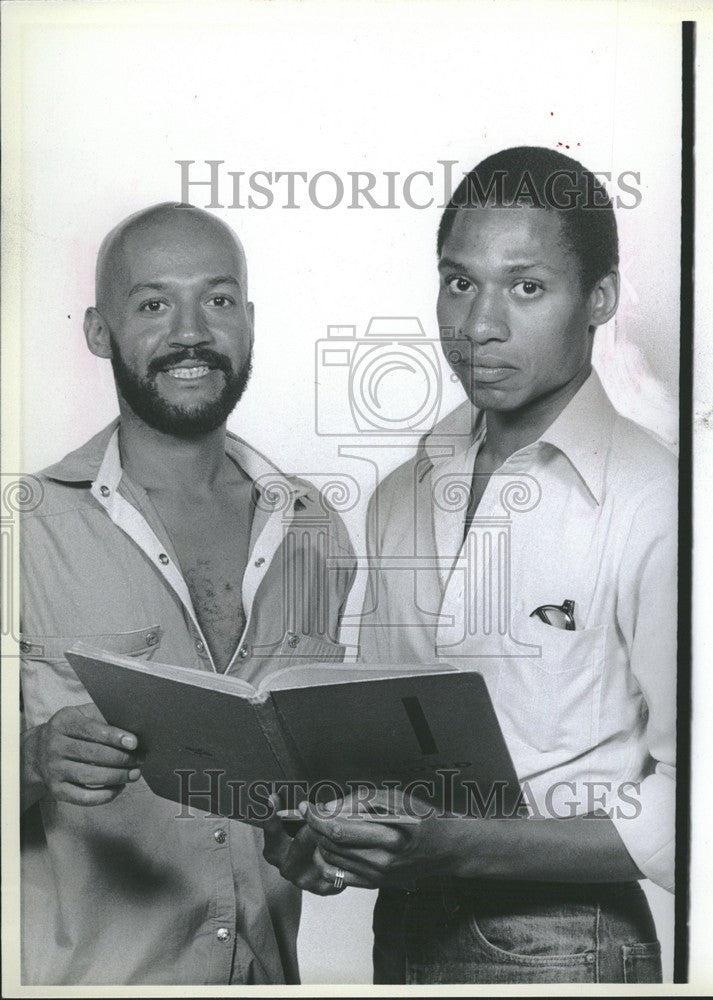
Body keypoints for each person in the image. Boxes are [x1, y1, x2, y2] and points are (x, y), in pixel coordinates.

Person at [289, 147, 677, 984]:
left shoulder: (653, 502)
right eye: (459, 282)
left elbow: (701, 807)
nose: (477, 325)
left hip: (566, 940)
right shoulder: (400, 492)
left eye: (525, 287)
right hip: (404, 932)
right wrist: (327, 835)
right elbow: (383, 737)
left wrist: (464, 844)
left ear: (598, 299)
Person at [19, 203, 356, 985]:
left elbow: (313, 777)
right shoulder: (23, 532)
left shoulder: (313, 526)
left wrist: (316, 835)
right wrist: (33, 761)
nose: (192, 332)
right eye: (152, 304)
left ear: (249, 319)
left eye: (218, 299)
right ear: (100, 333)